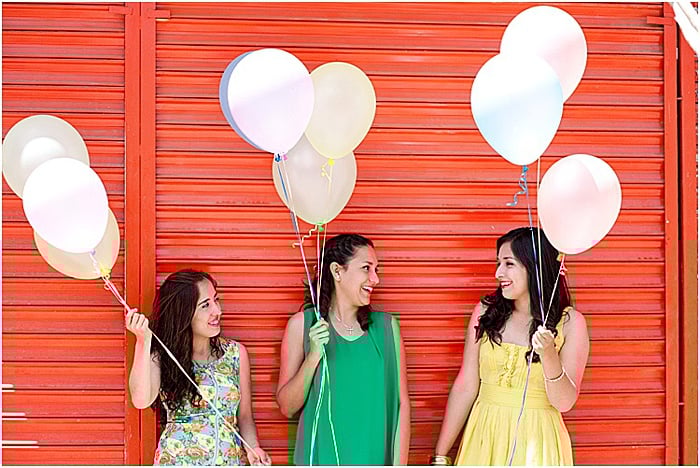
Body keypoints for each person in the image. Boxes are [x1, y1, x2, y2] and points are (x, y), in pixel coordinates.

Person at [433, 227, 590, 465]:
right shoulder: (486, 312)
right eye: (498, 263)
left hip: (538, 443)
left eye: (508, 264)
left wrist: (549, 355)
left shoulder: (571, 323)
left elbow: (564, 402)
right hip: (484, 437)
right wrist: (440, 456)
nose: (498, 273)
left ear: (535, 268)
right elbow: (466, 386)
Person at [276, 234, 411, 465]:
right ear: (337, 271)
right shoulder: (302, 325)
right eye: (366, 268)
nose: (375, 279)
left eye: (376, 269)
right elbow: (287, 407)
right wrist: (313, 356)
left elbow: (401, 406)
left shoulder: (387, 329)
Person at [126, 269, 271, 466]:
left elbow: (244, 416)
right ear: (184, 313)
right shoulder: (162, 356)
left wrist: (253, 447)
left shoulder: (236, 354)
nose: (217, 311)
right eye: (205, 305)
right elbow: (141, 400)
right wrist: (143, 341)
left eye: (216, 300)